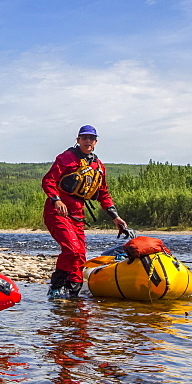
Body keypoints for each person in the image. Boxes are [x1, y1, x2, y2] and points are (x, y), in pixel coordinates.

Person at [41, 125, 128, 299]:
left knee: (80, 255)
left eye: (91, 138)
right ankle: (56, 288)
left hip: (78, 215)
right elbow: (48, 181)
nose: (88, 141)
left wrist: (116, 217)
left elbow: (103, 193)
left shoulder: (98, 165)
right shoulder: (66, 158)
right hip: (58, 212)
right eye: (84, 138)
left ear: (95, 142)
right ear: (78, 140)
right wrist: (56, 200)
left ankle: (73, 294)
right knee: (72, 250)